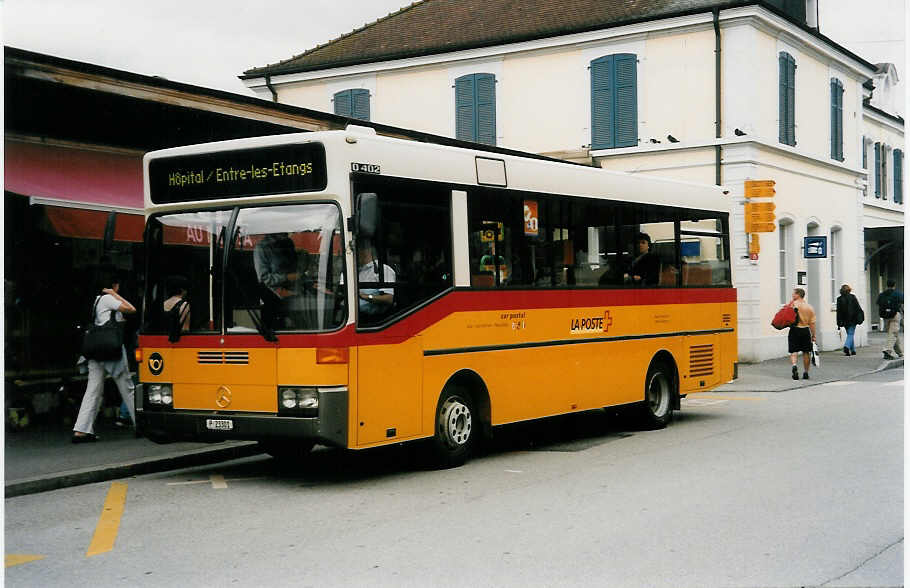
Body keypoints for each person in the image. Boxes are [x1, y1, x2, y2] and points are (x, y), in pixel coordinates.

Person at [73, 276, 137, 443]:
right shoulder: (108, 298)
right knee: (127, 387)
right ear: (114, 285)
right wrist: (114, 294)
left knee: (93, 390)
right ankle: (141, 424)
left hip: (95, 350)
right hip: (111, 350)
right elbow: (131, 309)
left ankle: (81, 430)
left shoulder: (95, 301)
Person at [253, 232, 299, 329]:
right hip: (272, 297)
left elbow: (295, 267)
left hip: (294, 295)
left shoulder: (288, 243)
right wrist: (287, 277)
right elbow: (264, 278)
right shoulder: (262, 248)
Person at [357, 240, 396, 318]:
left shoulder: (383, 270)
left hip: (376, 319)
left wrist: (366, 297)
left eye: (358, 251)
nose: (356, 254)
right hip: (357, 316)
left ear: (366, 252)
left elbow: (389, 299)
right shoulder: (359, 272)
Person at [788, 288, 816, 380]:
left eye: (793, 293)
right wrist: (813, 335)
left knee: (793, 351)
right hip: (805, 330)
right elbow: (812, 323)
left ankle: (794, 365)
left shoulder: (792, 305)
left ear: (798, 295)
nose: (792, 295)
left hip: (794, 330)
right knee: (806, 352)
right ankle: (806, 372)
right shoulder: (809, 307)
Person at [876, 280, 904, 359]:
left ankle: (900, 352)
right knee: (893, 333)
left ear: (887, 285)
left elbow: (878, 303)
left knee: (893, 333)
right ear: (894, 285)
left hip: (885, 316)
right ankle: (887, 350)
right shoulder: (898, 294)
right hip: (895, 315)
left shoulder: (882, 295)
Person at [836, 283, 863, 356]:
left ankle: (853, 350)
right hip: (853, 319)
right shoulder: (852, 297)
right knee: (850, 334)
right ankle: (846, 346)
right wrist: (860, 317)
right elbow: (857, 308)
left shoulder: (839, 299)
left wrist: (838, 322)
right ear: (849, 290)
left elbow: (838, 312)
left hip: (844, 320)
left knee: (849, 334)